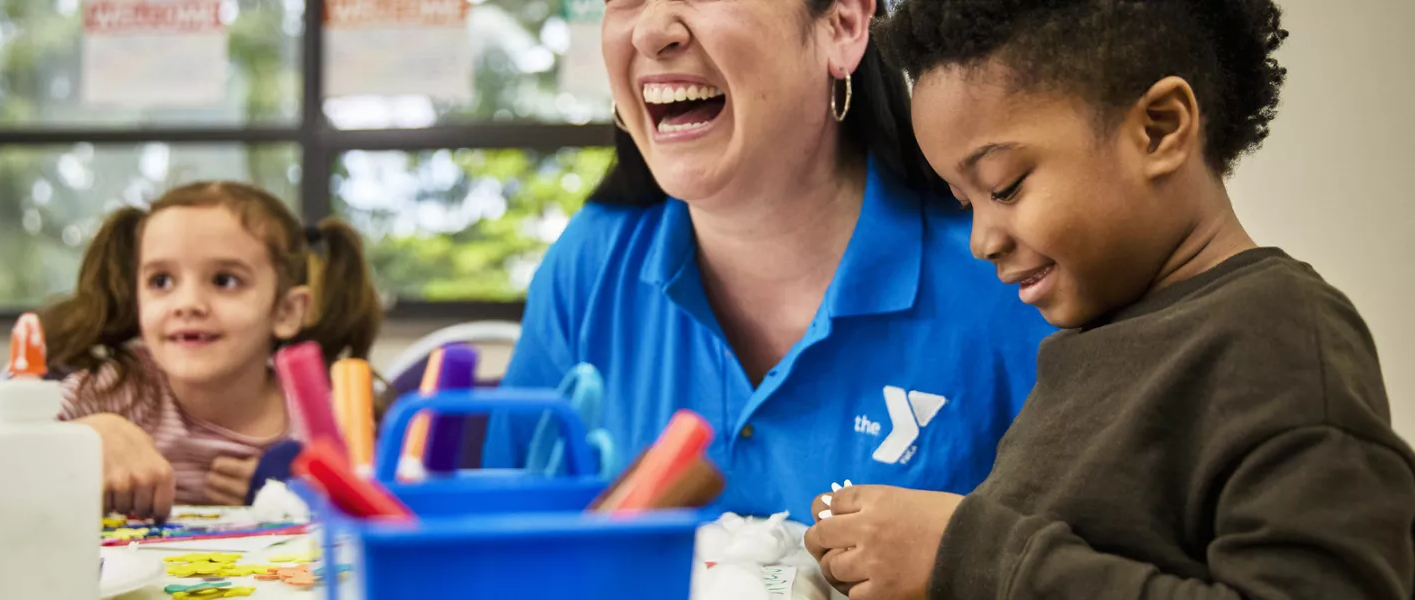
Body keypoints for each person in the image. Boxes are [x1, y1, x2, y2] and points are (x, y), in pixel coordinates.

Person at [804, 1, 1415, 598]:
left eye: (1005, 188)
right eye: (966, 203)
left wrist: (964, 555)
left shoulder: (1280, 336)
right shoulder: (1094, 344)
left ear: (1160, 129)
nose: (982, 241)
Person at [482, 0, 1054, 519]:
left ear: (843, 25)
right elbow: (494, 540)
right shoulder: (590, 263)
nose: (650, 31)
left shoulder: (1005, 275)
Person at [42, 181, 383, 519]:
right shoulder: (115, 390)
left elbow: (381, 511)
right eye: (161, 281)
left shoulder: (326, 414)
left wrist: (296, 491)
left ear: (286, 311)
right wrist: (85, 436)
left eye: (225, 280)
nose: (187, 304)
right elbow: (14, 449)